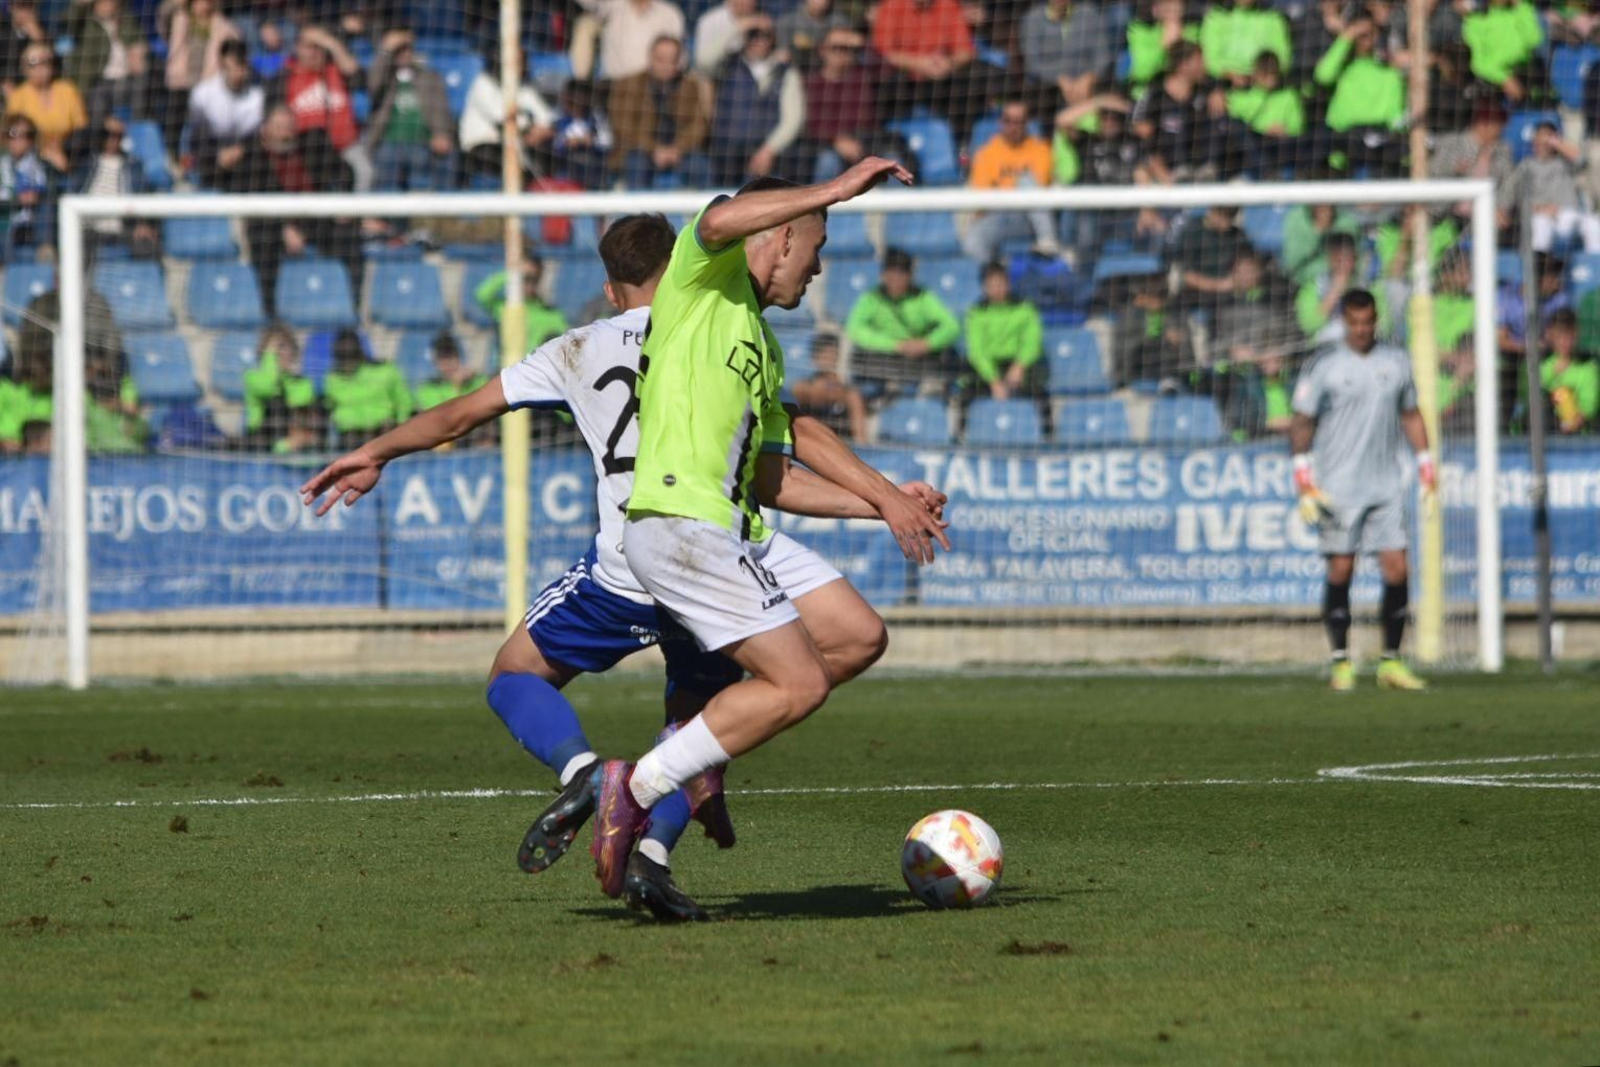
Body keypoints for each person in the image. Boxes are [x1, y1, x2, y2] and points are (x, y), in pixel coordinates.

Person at [301, 213, 946, 920]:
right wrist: (878, 499)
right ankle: (654, 845)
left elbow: (461, 414)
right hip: (713, 552)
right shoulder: (714, 326)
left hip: (630, 566)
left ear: (611, 291)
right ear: (679, 267)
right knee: (705, 719)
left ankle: (585, 775)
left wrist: (377, 452)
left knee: (514, 673)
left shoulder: (577, 347)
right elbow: (776, 462)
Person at [526, 160, 950, 914]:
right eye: (815, 249)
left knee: (855, 635)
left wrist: (882, 504)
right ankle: (647, 780)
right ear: (781, 234)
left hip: (733, 524)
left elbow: (772, 477)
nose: (818, 271)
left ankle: (656, 837)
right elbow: (722, 217)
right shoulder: (702, 275)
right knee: (798, 683)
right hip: (682, 525)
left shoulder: (759, 339)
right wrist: (837, 188)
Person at [1290, 288, 1434, 692]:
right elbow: (1302, 421)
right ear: (1343, 322)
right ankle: (1341, 662)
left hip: (1386, 483)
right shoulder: (1325, 366)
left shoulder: (1396, 361)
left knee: (1397, 568)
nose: (1361, 330)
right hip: (1338, 486)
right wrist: (1302, 475)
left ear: (1375, 320)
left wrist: (1426, 465)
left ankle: (1390, 662)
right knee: (1341, 569)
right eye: (1353, 323)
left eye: (1367, 322)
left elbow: (1410, 413)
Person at [844, 247, 963, 397]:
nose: (896, 279)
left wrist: (927, 344)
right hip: (886, 356)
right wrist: (895, 346)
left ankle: (920, 386)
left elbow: (952, 326)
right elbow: (855, 329)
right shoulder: (871, 298)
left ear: (910, 276)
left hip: (918, 356)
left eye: (901, 273)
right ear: (883, 275)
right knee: (859, 357)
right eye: (891, 272)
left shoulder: (923, 297)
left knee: (949, 355)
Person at [271, 25, 371, 192]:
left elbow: (358, 77)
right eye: (310, 47)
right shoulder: (287, 76)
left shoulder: (336, 70)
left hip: (345, 147)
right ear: (297, 48)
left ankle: (357, 216)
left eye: (319, 47)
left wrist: (329, 42)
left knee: (365, 171)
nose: (315, 52)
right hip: (308, 151)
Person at [707, 16, 805, 186]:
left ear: (773, 38)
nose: (757, 40)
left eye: (764, 35)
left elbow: (793, 119)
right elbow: (703, 60)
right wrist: (739, 26)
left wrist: (769, 150)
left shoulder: (786, 71)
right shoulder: (727, 65)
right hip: (727, 156)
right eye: (752, 34)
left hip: (770, 155)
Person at [608, 35, 712, 190]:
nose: (666, 65)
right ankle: (636, 213)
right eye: (661, 59)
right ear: (650, 58)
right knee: (637, 164)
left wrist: (677, 148)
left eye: (672, 59)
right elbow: (623, 127)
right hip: (640, 150)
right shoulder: (628, 84)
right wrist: (654, 149)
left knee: (702, 166)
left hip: (680, 152)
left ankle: (709, 213)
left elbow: (698, 125)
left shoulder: (690, 85)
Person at [961, 99, 1060, 261]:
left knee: (1027, 182)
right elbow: (983, 198)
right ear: (1001, 122)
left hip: (1029, 217)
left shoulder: (1041, 149)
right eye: (1008, 121)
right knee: (973, 240)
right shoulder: (986, 153)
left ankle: (1048, 240)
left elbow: (1038, 190)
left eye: (1019, 122)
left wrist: (1002, 188)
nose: (1013, 126)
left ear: (1026, 123)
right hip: (999, 215)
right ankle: (996, 275)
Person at [1312, 16, 1406, 176]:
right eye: (1361, 35)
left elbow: (1395, 116)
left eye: (1370, 34)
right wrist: (1346, 37)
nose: (1367, 40)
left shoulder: (1390, 74)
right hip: (1341, 142)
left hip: (1377, 144)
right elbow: (1322, 76)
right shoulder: (1342, 68)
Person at [1499, 121, 1600, 254]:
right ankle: (1539, 269)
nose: (1543, 142)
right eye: (1540, 137)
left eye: (1548, 137)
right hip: (1541, 215)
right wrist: (1535, 208)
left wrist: (1556, 142)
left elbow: (1581, 160)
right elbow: (1510, 192)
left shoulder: (1564, 162)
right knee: (1541, 224)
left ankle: (1595, 268)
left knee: (1593, 224)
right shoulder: (1525, 166)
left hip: (1568, 215)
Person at [458, 53, 556, 182]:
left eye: (523, 62)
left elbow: (546, 116)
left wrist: (543, 130)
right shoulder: (483, 84)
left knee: (549, 154)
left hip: (519, 143)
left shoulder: (524, 87)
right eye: (518, 62)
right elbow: (502, 117)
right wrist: (530, 129)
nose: (523, 66)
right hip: (483, 145)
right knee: (509, 160)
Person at [802, 27, 878, 184]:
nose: (841, 53)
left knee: (890, 160)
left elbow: (885, 65)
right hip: (821, 146)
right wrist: (835, 140)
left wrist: (863, 43)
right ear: (822, 50)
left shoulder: (861, 79)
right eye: (835, 48)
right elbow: (810, 123)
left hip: (861, 143)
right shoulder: (810, 83)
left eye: (847, 48)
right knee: (828, 161)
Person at [962, 262, 1046, 404]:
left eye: (1000, 284)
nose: (997, 289)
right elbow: (977, 351)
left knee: (1039, 395)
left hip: (1018, 364)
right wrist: (993, 380)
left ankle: (1047, 427)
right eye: (991, 285)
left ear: (1008, 284)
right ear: (984, 288)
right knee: (966, 395)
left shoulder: (1025, 309)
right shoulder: (976, 313)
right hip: (989, 368)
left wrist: (1019, 366)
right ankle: (961, 427)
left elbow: (1032, 342)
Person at [189, 38, 265, 188]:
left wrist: (241, 149)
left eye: (242, 63)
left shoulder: (258, 96)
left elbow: (259, 134)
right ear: (223, 63)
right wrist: (218, 155)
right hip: (212, 155)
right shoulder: (202, 94)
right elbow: (196, 137)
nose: (238, 70)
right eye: (233, 63)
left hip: (246, 155)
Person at [320, 328, 412, 449]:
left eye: (350, 356)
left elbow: (404, 402)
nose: (347, 362)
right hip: (349, 436)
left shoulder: (384, 371)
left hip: (382, 431)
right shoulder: (332, 378)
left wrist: (399, 427)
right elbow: (328, 406)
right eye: (342, 357)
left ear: (360, 353)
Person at [1018, 0, 1114, 112]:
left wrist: (1089, 78)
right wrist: (1059, 79)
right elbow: (1032, 63)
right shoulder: (1033, 19)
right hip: (1048, 90)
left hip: (1089, 87)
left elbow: (1103, 56)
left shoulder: (1089, 14)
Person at [6, 43, 87, 172]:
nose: (40, 67)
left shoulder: (68, 90)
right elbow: (14, 134)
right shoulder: (18, 97)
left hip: (68, 151)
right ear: (24, 68)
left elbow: (81, 126)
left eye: (45, 62)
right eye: (33, 63)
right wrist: (47, 152)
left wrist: (60, 150)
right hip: (33, 154)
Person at [571, 0, 687, 83]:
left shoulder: (670, 14)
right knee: (584, 24)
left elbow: (682, 59)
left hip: (656, 89)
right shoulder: (612, 6)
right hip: (616, 86)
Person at [243, 321, 318, 447]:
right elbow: (268, 387)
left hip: (295, 442)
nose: (282, 353)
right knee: (276, 403)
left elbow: (301, 407)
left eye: (285, 346)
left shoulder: (302, 382)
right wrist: (270, 357)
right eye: (277, 348)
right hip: (261, 442)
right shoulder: (252, 377)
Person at [788, 332, 868, 441]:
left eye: (832, 354)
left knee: (854, 397)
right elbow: (811, 393)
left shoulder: (847, 391)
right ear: (815, 358)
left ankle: (861, 447)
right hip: (807, 438)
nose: (829, 359)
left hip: (837, 441)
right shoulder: (802, 387)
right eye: (825, 355)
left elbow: (836, 394)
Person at [474, 255, 568, 347]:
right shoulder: (506, 308)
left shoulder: (551, 313)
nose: (529, 284)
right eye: (525, 279)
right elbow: (482, 294)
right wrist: (514, 273)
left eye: (533, 279)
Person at [0, 114, 56, 262]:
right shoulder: (2, 164)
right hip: (5, 221)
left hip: (31, 223)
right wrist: (17, 200)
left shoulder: (41, 165)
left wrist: (37, 195)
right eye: (14, 134)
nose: (21, 141)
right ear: (5, 138)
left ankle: (46, 251)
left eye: (28, 135)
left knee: (47, 206)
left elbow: (49, 191)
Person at [1199, 0, 1291, 83]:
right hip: (1223, 84)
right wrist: (1230, 75)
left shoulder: (1273, 18)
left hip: (1265, 83)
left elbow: (1283, 58)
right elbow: (1210, 60)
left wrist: (1261, 74)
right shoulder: (1216, 17)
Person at [1540, 308, 1598, 433]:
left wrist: (1580, 417)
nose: (1564, 343)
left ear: (1576, 336)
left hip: (1579, 426)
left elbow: (1589, 401)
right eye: (1559, 337)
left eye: (1568, 337)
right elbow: (1536, 388)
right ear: (1551, 336)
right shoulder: (1545, 366)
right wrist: (1553, 372)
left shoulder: (1587, 368)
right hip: (1549, 426)